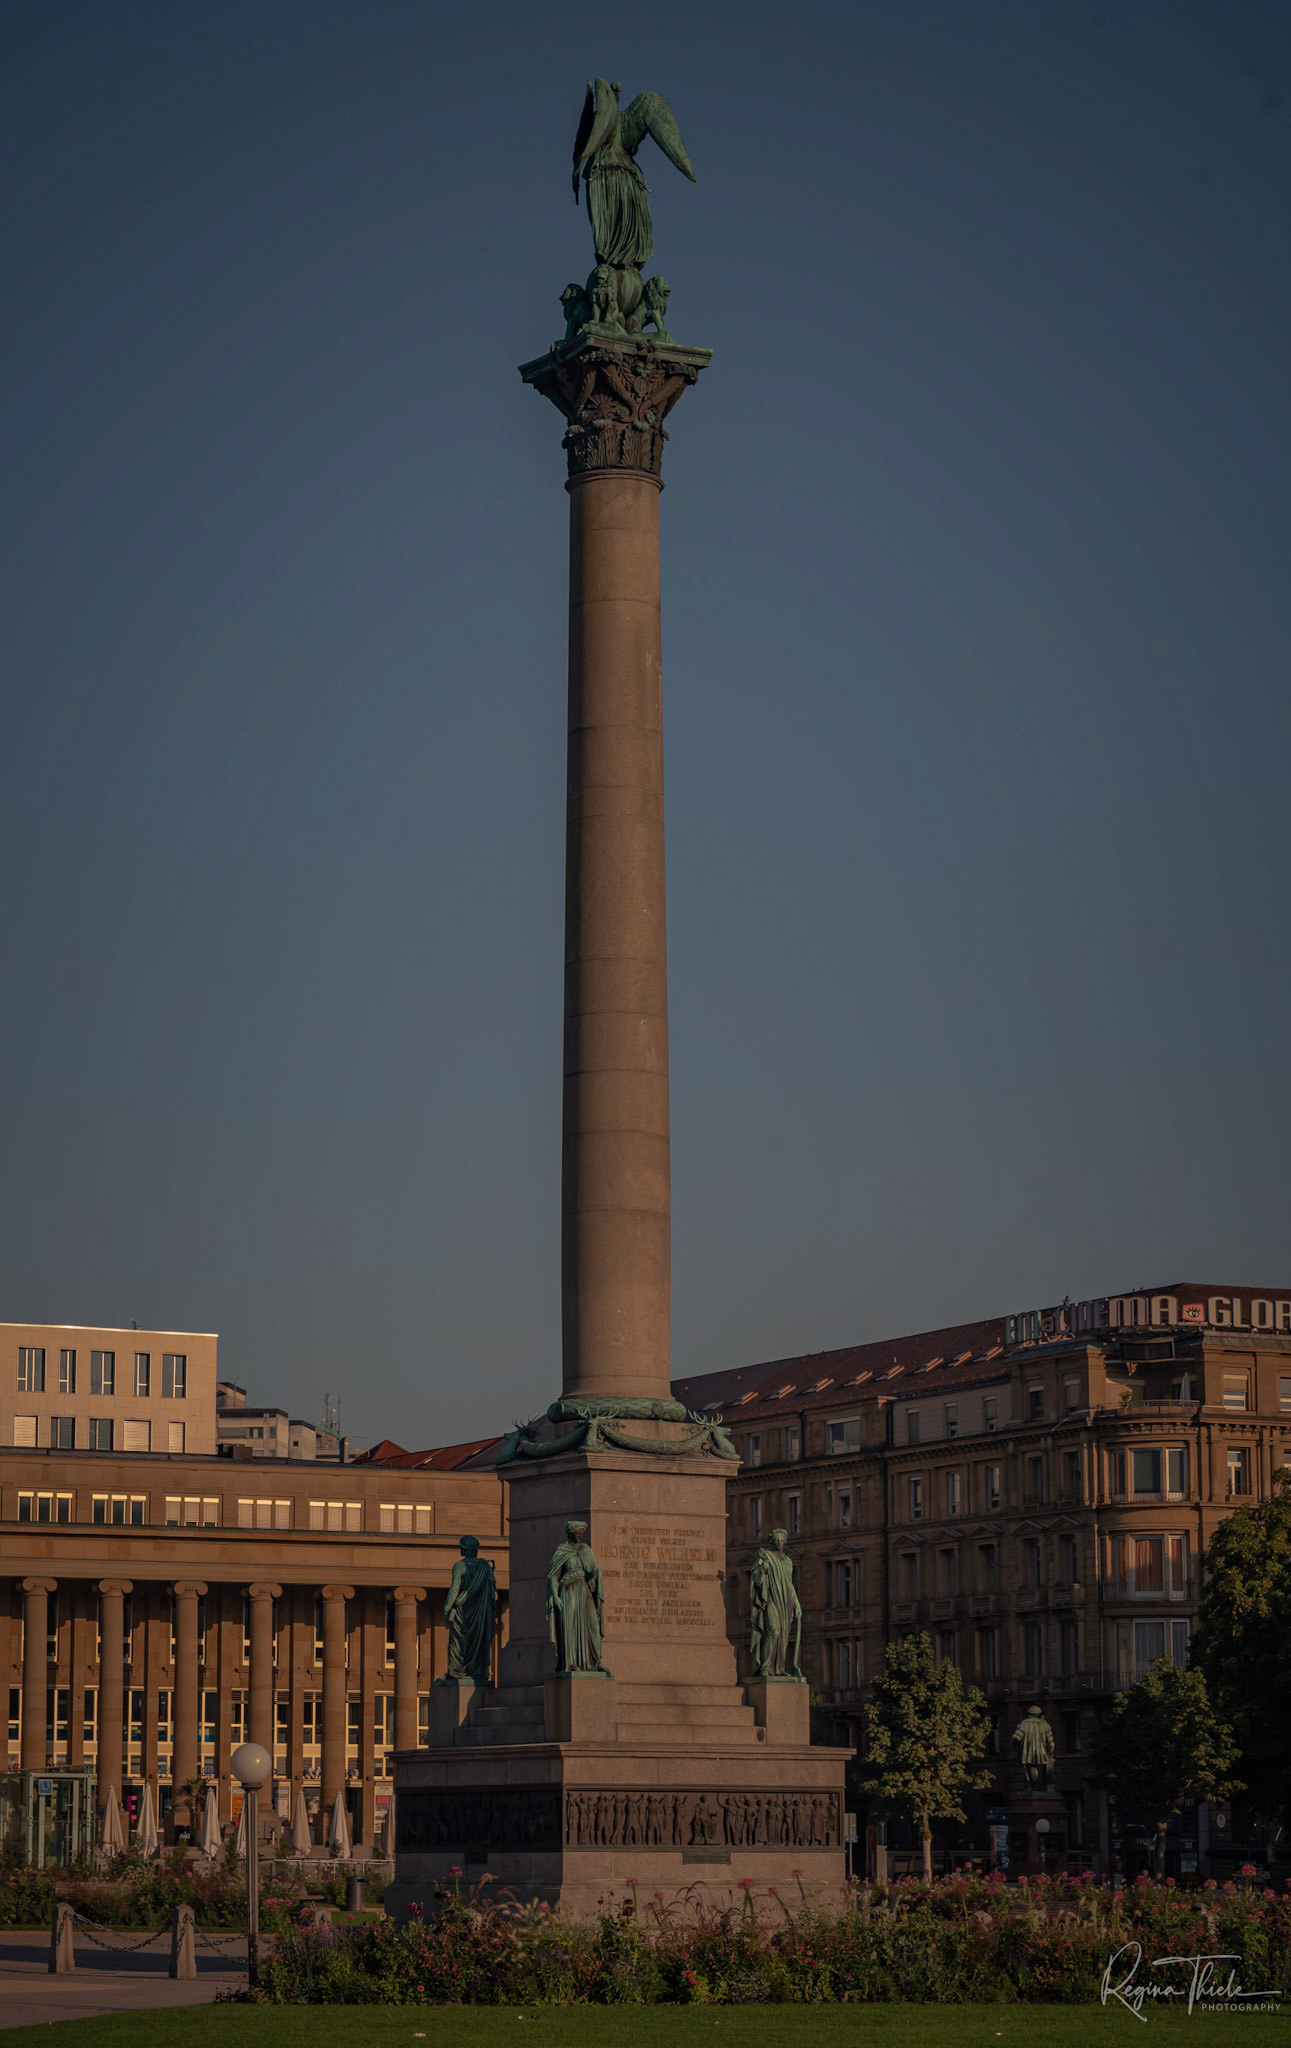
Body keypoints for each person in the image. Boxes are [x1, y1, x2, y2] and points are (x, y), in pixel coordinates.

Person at [546, 1520, 608, 1673]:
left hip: (585, 1591)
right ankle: (571, 1662)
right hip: (568, 1592)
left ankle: (594, 1661)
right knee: (571, 1627)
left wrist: (594, 1575)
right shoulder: (562, 1550)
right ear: (569, 1533)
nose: (579, 1536)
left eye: (581, 1533)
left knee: (593, 1625)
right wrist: (555, 1596)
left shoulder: (587, 1550)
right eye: (576, 1533)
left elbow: (593, 1570)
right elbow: (553, 1576)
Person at [749, 1527, 803, 1678]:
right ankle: (765, 1667)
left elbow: (789, 1583)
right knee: (773, 1631)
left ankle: (779, 1668)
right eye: (777, 1540)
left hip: (785, 1601)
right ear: (772, 1541)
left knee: (783, 1636)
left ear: (785, 1542)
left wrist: (797, 1604)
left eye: (782, 1540)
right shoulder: (765, 1556)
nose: (779, 1543)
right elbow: (755, 1579)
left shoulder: (788, 1562)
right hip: (771, 1598)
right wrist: (763, 1570)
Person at [443, 1535, 496, 1684]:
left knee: (458, 1642)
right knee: (477, 1642)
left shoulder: (459, 1566)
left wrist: (447, 1608)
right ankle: (475, 1672)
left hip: (462, 1611)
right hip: (480, 1612)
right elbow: (492, 1592)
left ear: (464, 1549)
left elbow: (454, 1589)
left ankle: (456, 1672)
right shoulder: (484, 1567)